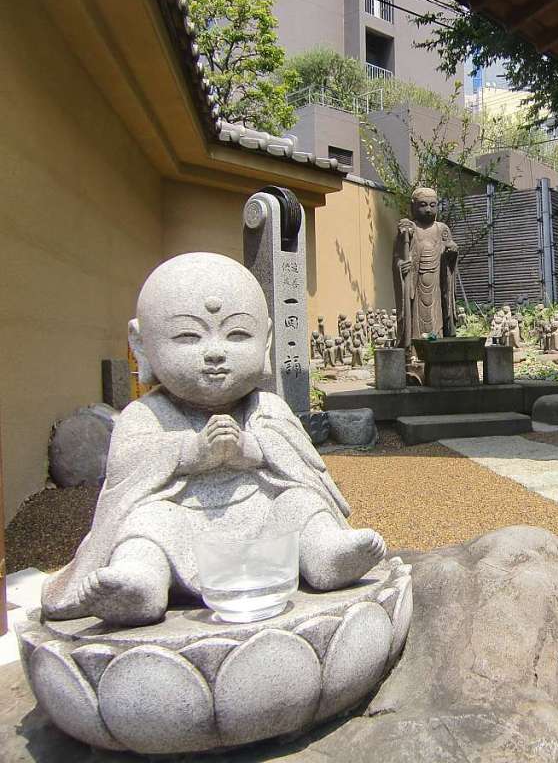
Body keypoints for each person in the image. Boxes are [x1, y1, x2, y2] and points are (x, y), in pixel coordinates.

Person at [41, 253, 386, 626]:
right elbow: (127, 478)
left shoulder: (266, 408)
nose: (216, 353)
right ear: (142, 344)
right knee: (145, 520)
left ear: (266, 340)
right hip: (182, 525)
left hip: (262, 526)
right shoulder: (145, 415)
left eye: (237, 334)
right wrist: (193, 451)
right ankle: (140, 580)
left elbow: (299, 462)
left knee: (300, 500)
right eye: (189, 336)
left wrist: (247, 449)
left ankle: (325, 553)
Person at [393, 187, 459, 345]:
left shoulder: (442, 229)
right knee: (417, 324)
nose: (428, 209)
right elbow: (397, 258)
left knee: (437, 321)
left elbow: (450, 258)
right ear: (413, 206)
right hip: (415, 290)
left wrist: (452, 253)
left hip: (437, 288)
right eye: (423, 205)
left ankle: (438, 353)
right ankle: (415, 353)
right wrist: (401, 266)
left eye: (432, 205)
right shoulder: (409, 230)